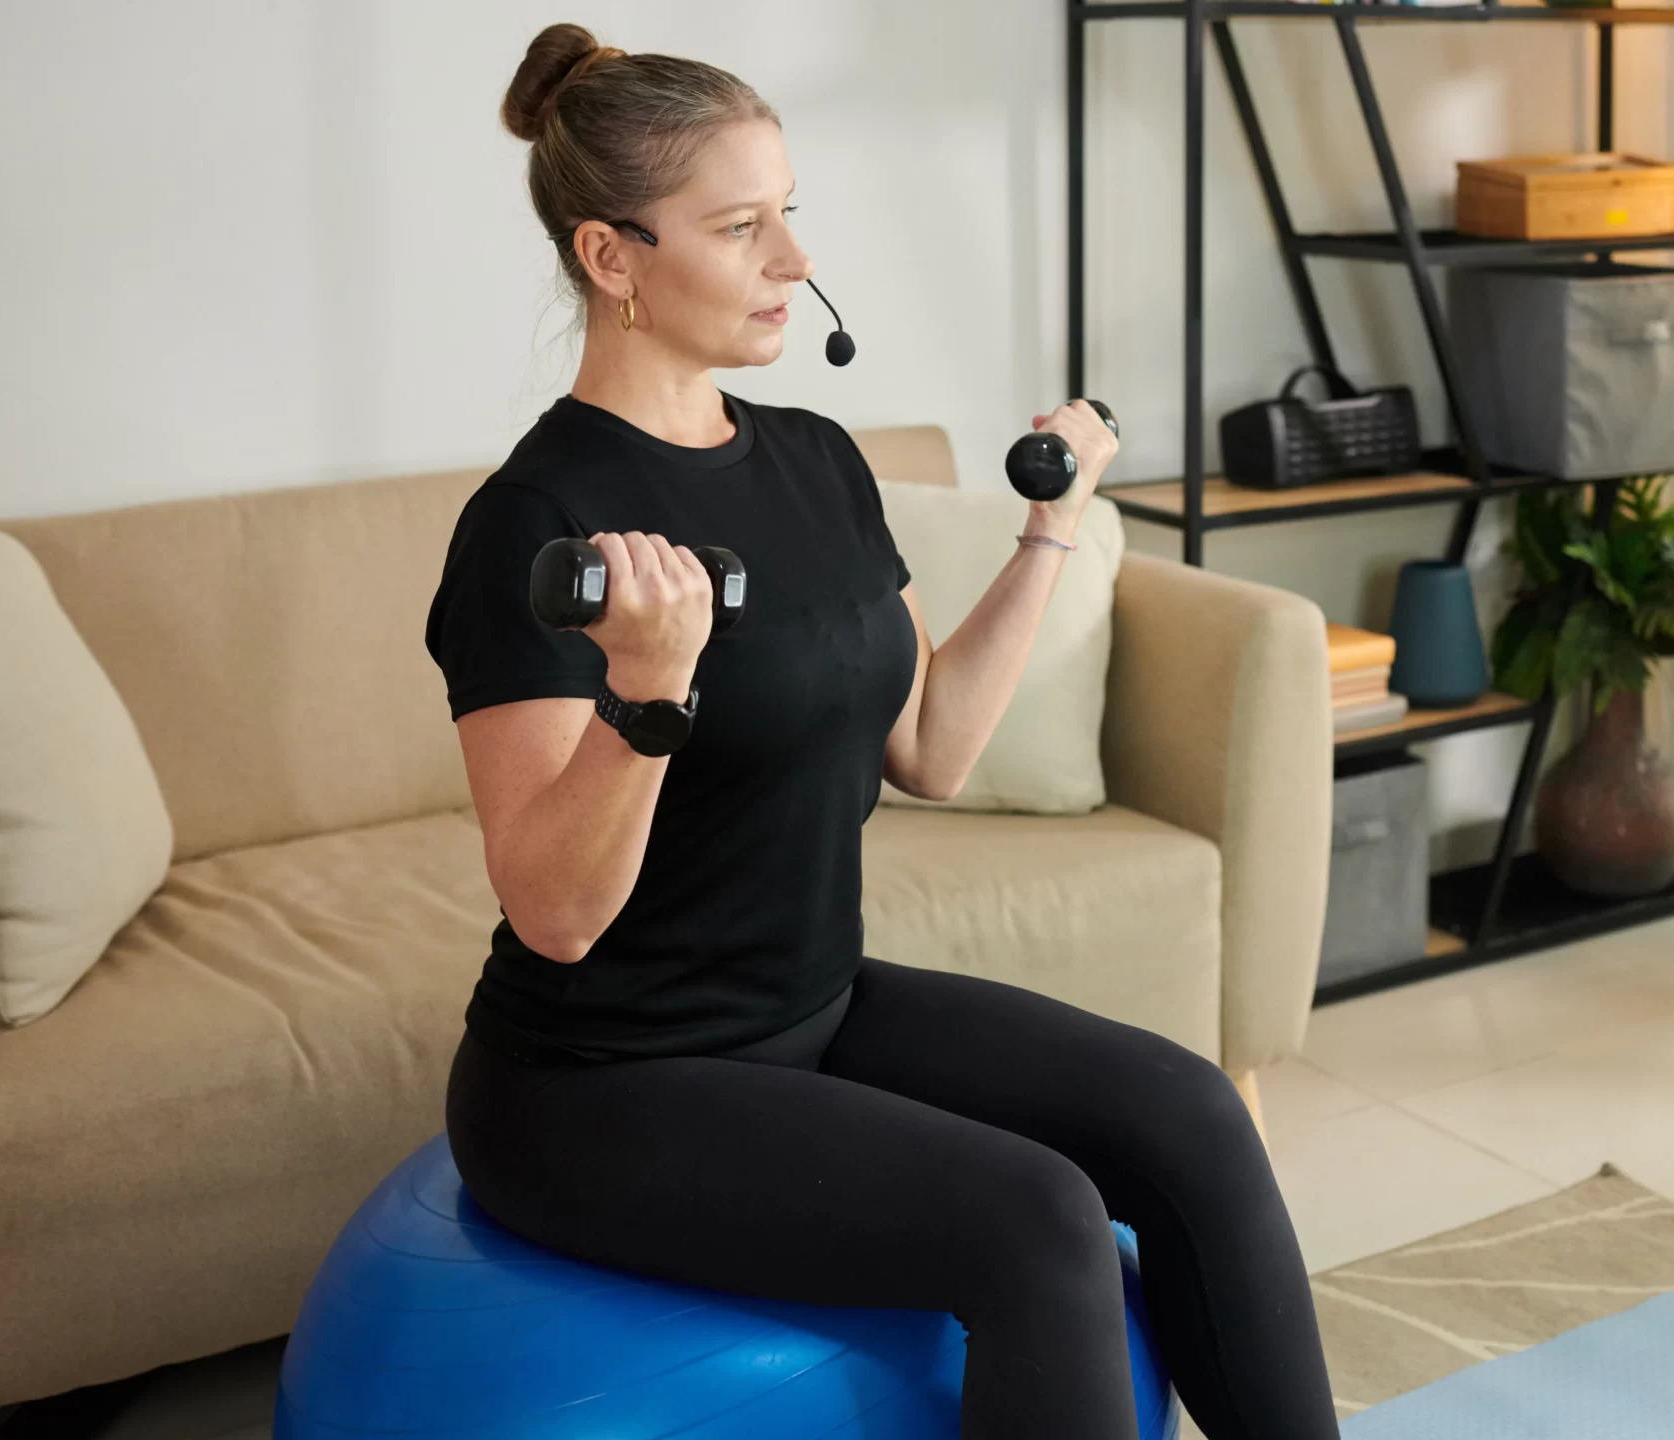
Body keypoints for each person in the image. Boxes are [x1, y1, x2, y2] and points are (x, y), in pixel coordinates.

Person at [426, 24, 1341, 1440]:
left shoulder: (814, 459)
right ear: (614, 259)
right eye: (740, 227)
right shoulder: (535, 525)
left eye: (790, 214)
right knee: (1039, 1223)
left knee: (1188, 1112)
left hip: (814, 1004)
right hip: (600, 1084)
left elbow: (933, 748)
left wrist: (1053, 532)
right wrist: (647, 696)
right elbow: (553, 913)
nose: (791, 260)